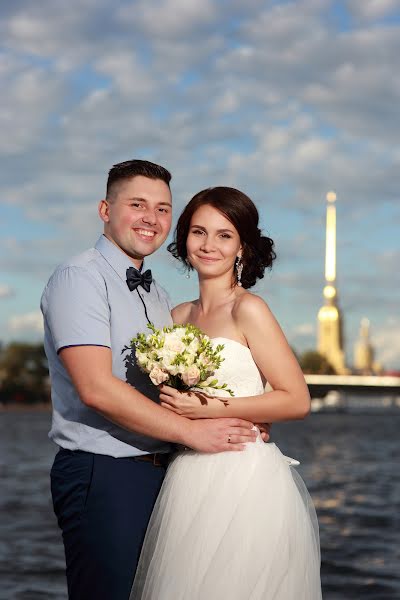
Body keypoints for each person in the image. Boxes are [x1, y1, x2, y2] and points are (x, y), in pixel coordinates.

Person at [41, 162, 262, 600]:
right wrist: (197, 433)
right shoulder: (80, 278)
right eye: (137, 204)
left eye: (162, 209)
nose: (151, 218)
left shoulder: (157, 296)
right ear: (105, 209)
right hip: (104, 473)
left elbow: (174, 390)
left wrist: (235, 416)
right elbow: (96, 389)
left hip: (167, 475)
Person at [131, 186, 322, 599]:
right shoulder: (177, 317)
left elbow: (296, 398)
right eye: (198, 232)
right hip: (185, 476)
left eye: (224, 235)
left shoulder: (248, 309)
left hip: (244, 476)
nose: (208, 245)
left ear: (242, 247)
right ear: (184, 241)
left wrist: (210, 409)